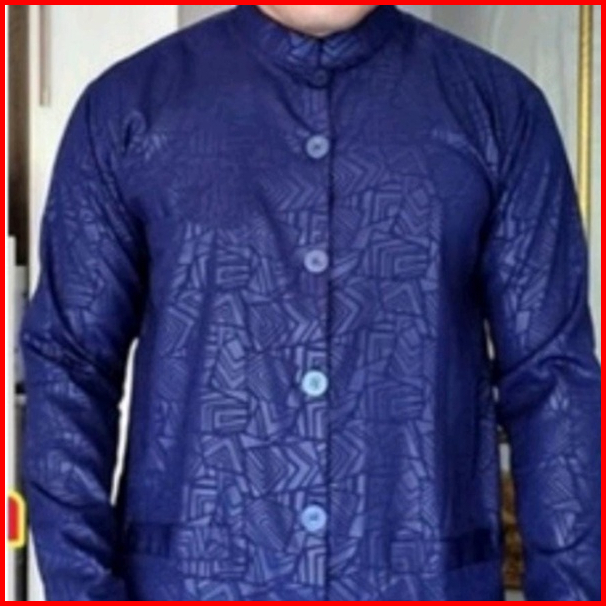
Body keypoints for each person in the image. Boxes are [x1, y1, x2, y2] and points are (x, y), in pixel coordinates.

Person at [18, 5, 600, 601]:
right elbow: (70, 365)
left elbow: (553, 378)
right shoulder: (129, 108)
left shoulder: (499, 109)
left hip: (426, 581)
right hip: (187, 583)